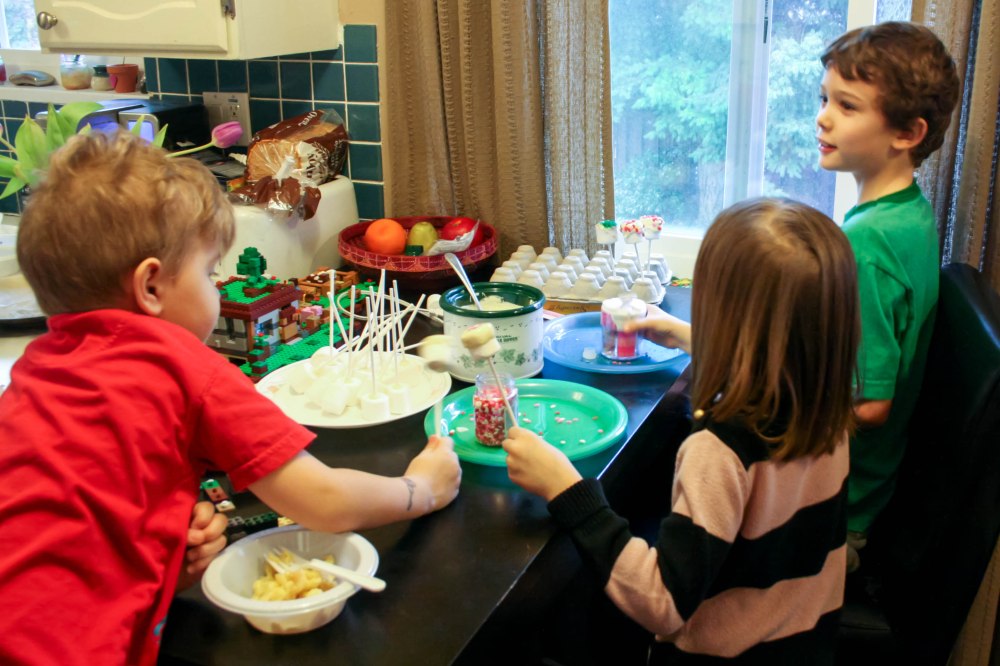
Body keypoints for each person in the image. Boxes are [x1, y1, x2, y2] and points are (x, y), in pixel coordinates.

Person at [0, 131, 462, 666]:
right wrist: (421, 490)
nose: (219, 290)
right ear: (151, 287)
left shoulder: (34, 371)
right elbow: (323, 501)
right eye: (209, 272)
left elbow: (69, 535)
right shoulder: (182, 367)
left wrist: (162, 561)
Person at [504, 198, 860, 664]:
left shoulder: (720, 449)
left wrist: (567, 489)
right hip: (803, 645)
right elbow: (777, 358)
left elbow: (663, 604)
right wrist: (688, 335)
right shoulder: (827, 409)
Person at [817, 21, 960, 569]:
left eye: (847, 106)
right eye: (825, 99)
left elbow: (870, 406)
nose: (824, 117)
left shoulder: (868, 243)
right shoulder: (909, 215)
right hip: (866, 493)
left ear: (907, 133)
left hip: (836, 513)